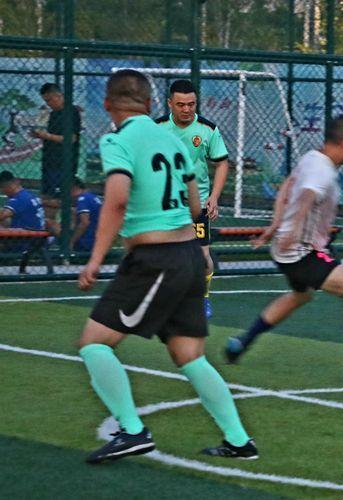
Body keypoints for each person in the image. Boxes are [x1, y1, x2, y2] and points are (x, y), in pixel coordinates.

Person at [77, 69, 257, 464]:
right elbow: (195, 205)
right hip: (190, 254)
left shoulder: (117, 140)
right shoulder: (172, 140)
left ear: (107, 105)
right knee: (189, 354)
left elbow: (117, 200)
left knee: (94, 342)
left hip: (156, 260)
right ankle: (239, 440)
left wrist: (95, 257)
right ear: (150, 104)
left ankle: (132, 431)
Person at [224, 115, 343, 388]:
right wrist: (292, 231)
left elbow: (286, 187)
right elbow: (305, 196)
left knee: (300, 295)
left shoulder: (310, 158)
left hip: (288, 249)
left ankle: (243, 342)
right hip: (301, 252)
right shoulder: (322, 171)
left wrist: (276, 225)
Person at [156, 79, 230, 319]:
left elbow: (222, 163)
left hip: (197, 205)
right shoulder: (157, 128)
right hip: (165, 204)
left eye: (191, 104)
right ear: (170, 104)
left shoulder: (207, 129)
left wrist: (214, 197)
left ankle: (203, 297)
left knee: (202, 256)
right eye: (181, 104)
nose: (187, 109)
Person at [32, 82, 82, 233]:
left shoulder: (71, 112)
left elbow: (71, 139)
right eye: (45, 101)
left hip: (63, 164)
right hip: (49, 162)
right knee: (46, 197)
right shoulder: (53, 114)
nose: (48, 104)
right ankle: (47, 234)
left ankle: (66, 236)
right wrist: (42, 136)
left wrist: (46, 136)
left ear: (59, 96)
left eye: (49, 100)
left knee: (58, 199)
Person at [0, 170, 53, 274]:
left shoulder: (18, 199)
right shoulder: (31, 195)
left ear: (6, 187)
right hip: (38, 240)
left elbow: (2, 215)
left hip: (22, 242)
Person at [69, 177, 102, 253]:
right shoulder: (92, 197)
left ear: (74, 188)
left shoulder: (82, 199)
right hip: (97, 239)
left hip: (86, 241)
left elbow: (85, 223)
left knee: (50, 223)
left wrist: (72, 242)